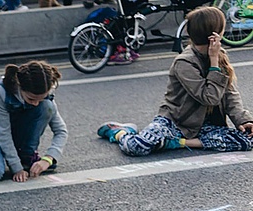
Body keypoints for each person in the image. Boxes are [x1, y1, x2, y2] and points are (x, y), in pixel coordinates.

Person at [98, 6, 253, 156]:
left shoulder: (219, 55)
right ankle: (120, 132)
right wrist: (213, 63)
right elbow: (209, 97)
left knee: (247, 140)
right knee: (137, 147)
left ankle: (178, 143)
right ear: (213, 34)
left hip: (206, 126)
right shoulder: (185, 63)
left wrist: (243, 120)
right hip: (177, 123)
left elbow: (230, 93)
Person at [0, 60, 68, 183]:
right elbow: (3, 134)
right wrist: (16, 168)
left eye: (40, 99)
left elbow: (61, 131)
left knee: (47, 106)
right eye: (31, 98)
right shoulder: (0, 92)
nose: (35, 103)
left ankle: (27, 155)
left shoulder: (46, 94)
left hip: (17, 134)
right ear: (20, 86)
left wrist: (48, 159)